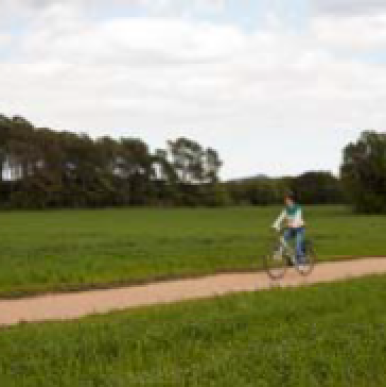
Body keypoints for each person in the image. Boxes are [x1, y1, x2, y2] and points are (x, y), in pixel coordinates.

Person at [272, 193, 305, 263]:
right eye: (285, 200)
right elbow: (280, 217)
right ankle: (280, 255)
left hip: (299, 229)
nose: (285, 201)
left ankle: (302, 260)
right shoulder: (286, 209)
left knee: (297, 245)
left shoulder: (298, 208)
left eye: (287, 200)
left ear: (291, 200)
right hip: (291, 229)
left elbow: (297, 219)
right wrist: (275, 225)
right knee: (282, 240)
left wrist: (291, 224)